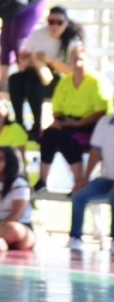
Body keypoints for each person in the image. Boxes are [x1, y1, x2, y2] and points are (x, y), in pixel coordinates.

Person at [33, 45, 112, 195]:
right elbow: (57, 107)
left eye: (81, 60)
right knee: (49, 134)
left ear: (89, 61)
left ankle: (79, 182)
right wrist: (57, 121)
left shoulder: (97, 81)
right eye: (74, 60)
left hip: (91, 124)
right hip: (68, 121)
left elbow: (102, 112)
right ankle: (42, 180)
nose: (77, 64)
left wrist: (78, 124)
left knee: (67, 137)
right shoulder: (65, 81)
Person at [7, 6, 83, 141]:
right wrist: (31, 60)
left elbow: (72, 71)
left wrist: (49, 60)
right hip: (33, 73)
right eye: (51, 21)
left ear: (66, 23)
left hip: (60, 80)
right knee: (15, 79)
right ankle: (19, 122)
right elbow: (22, 61)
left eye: (59, 22)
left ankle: (37, 126)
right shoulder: (37, 34)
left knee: (33, 83)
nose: (54, 26)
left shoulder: (73, 41)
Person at [68, 113, 114, 251]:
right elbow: (95, 151)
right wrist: (85, 178)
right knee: (79, 194)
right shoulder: (104, 122)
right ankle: (75, 238)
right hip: (107, 179)